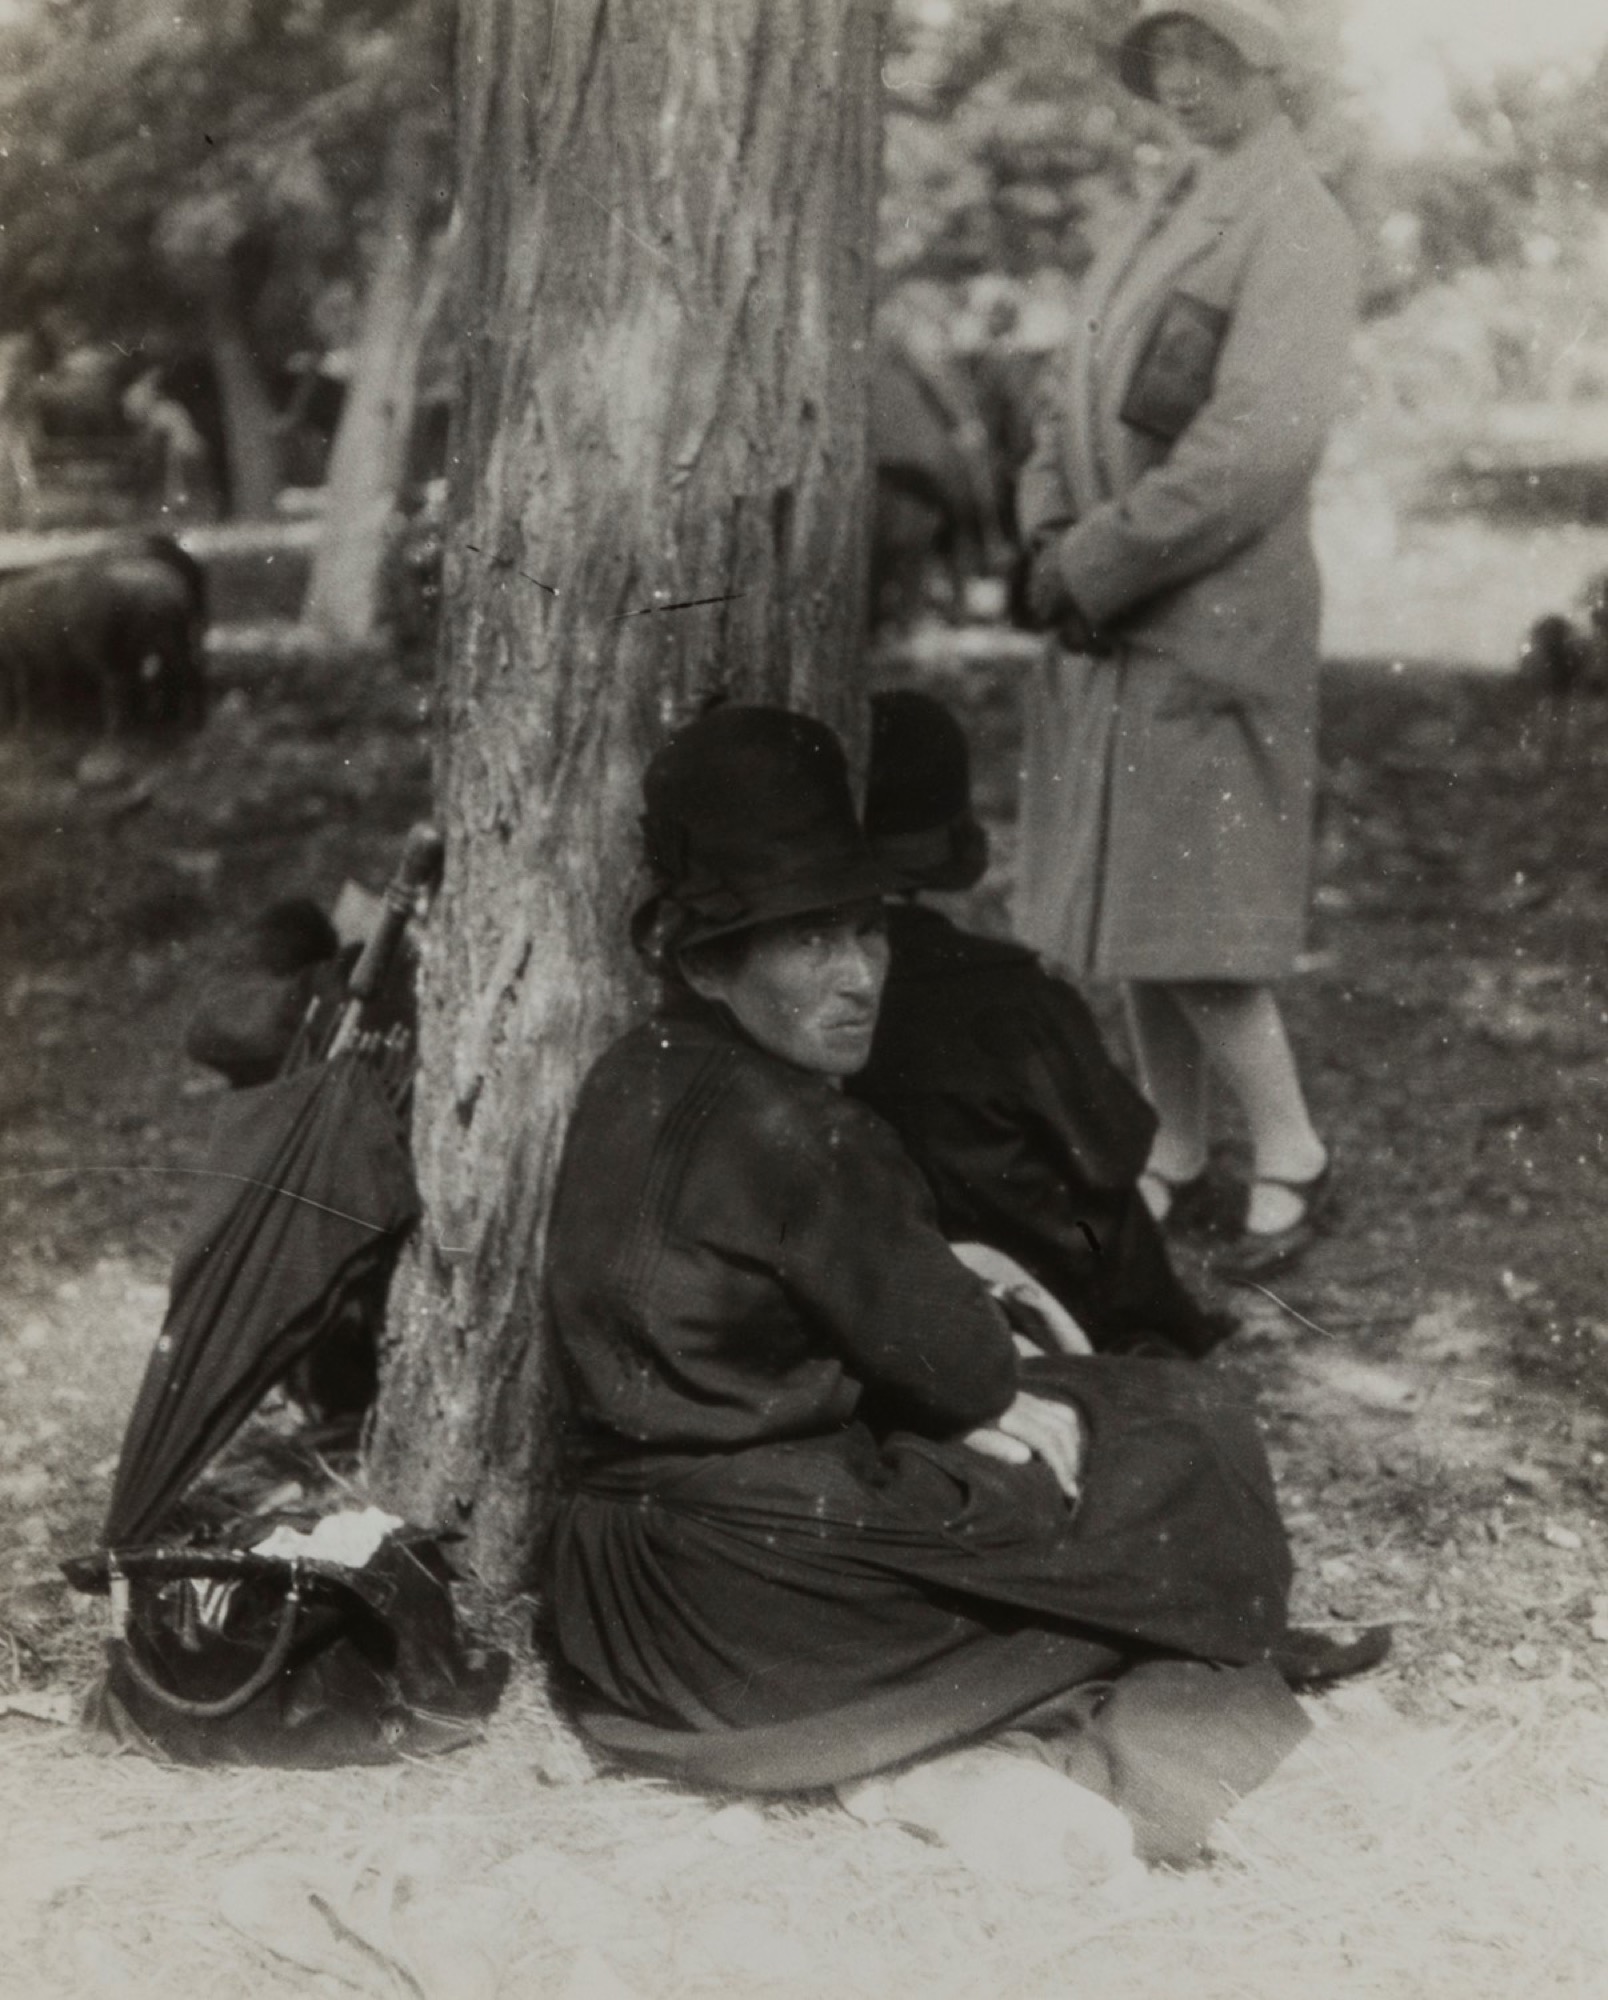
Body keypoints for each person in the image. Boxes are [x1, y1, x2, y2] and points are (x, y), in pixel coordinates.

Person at [541, 704, 1384, 1856]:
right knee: (1179, 1427)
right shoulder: (808, 1129)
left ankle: (901, 1753)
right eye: (808, 942)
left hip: (616, 1609)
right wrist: (994, 1387)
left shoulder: (622, 1078)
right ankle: (918, 1745)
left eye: (866, 930)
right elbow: (970, 1366)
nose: (858, 978)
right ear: (705, 961)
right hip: (767, 1599)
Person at [1014, 0, 1359, 1278]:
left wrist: (1096, 559)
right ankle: (1172, 1148)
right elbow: (1068, 396)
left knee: (1197, 913)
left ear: (1270, 69)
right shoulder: (1163, 211)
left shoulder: (1297, 225)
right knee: (1128, 903)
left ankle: (1292, 1152)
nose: (1187, 83)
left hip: (1205, 613)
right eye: (1168, 61)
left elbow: (1252, 452)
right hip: (1117, 611)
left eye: (1212, 57)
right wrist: (1048, 523)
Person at [852, 690, 1229, 1360]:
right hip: (1037, 1292)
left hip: (882, 1284)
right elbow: (1113, 1146)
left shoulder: (792, 1003)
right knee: (1100, 1204)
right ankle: (1161, 1334)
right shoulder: (1010, 995)